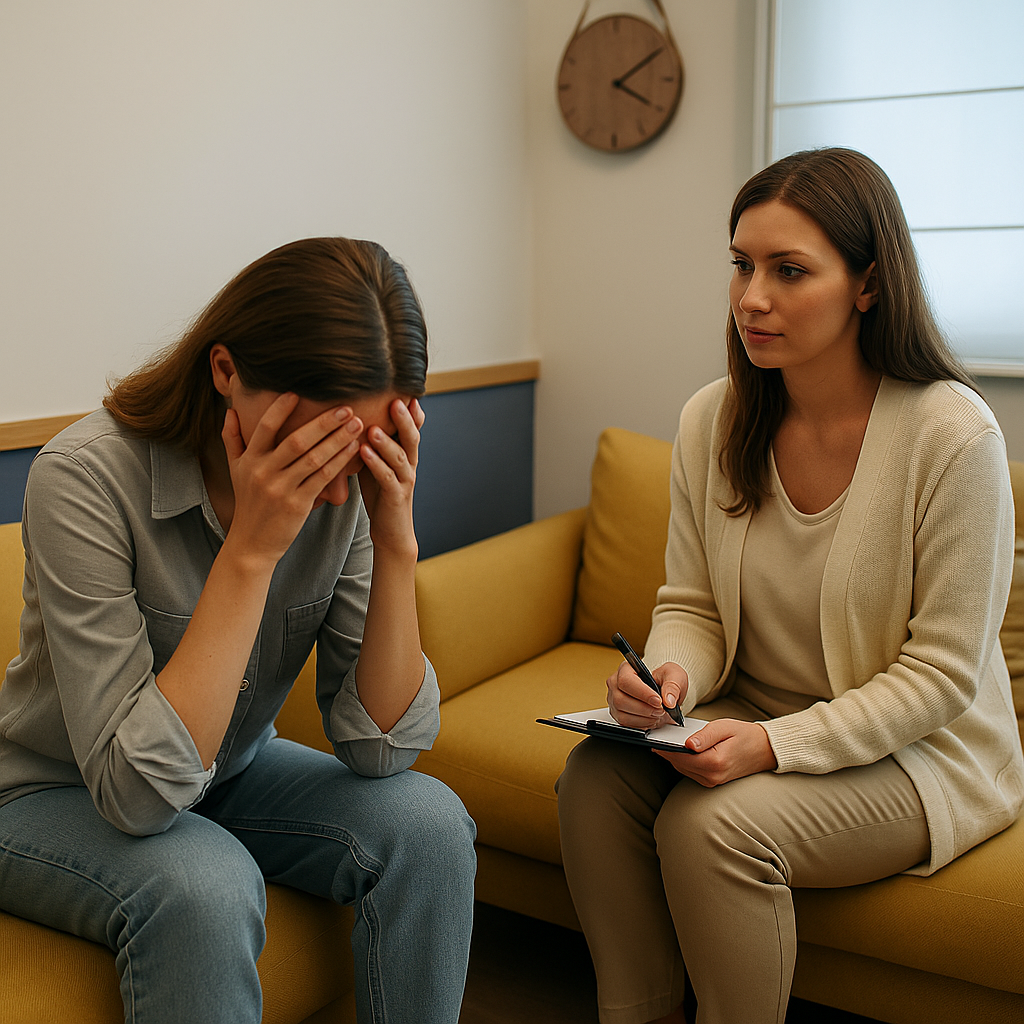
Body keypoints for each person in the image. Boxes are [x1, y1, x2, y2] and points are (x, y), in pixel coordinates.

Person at [556, 149, 1024, 1024]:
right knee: (593, 781)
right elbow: (690, 603)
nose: (751, 298)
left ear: (869, 285)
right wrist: (671, 680)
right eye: (741, 265)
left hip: (922, 756)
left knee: (710, 828)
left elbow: (943, 677)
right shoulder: (714, 418)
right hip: (758, 716)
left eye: (789, 270)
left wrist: (773, 747)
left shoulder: (953, 437)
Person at [0, 237, 477, 1024]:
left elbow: (381, 746)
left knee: (428, 825)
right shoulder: (83, 477)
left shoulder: (349, 490)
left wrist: (396, 539)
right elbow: (137, 794)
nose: (337, 472)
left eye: (364, 443)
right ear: (226, 373)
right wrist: (250, 552)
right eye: (316, 438)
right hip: (54, 790)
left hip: (226, 772)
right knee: (205, 881)